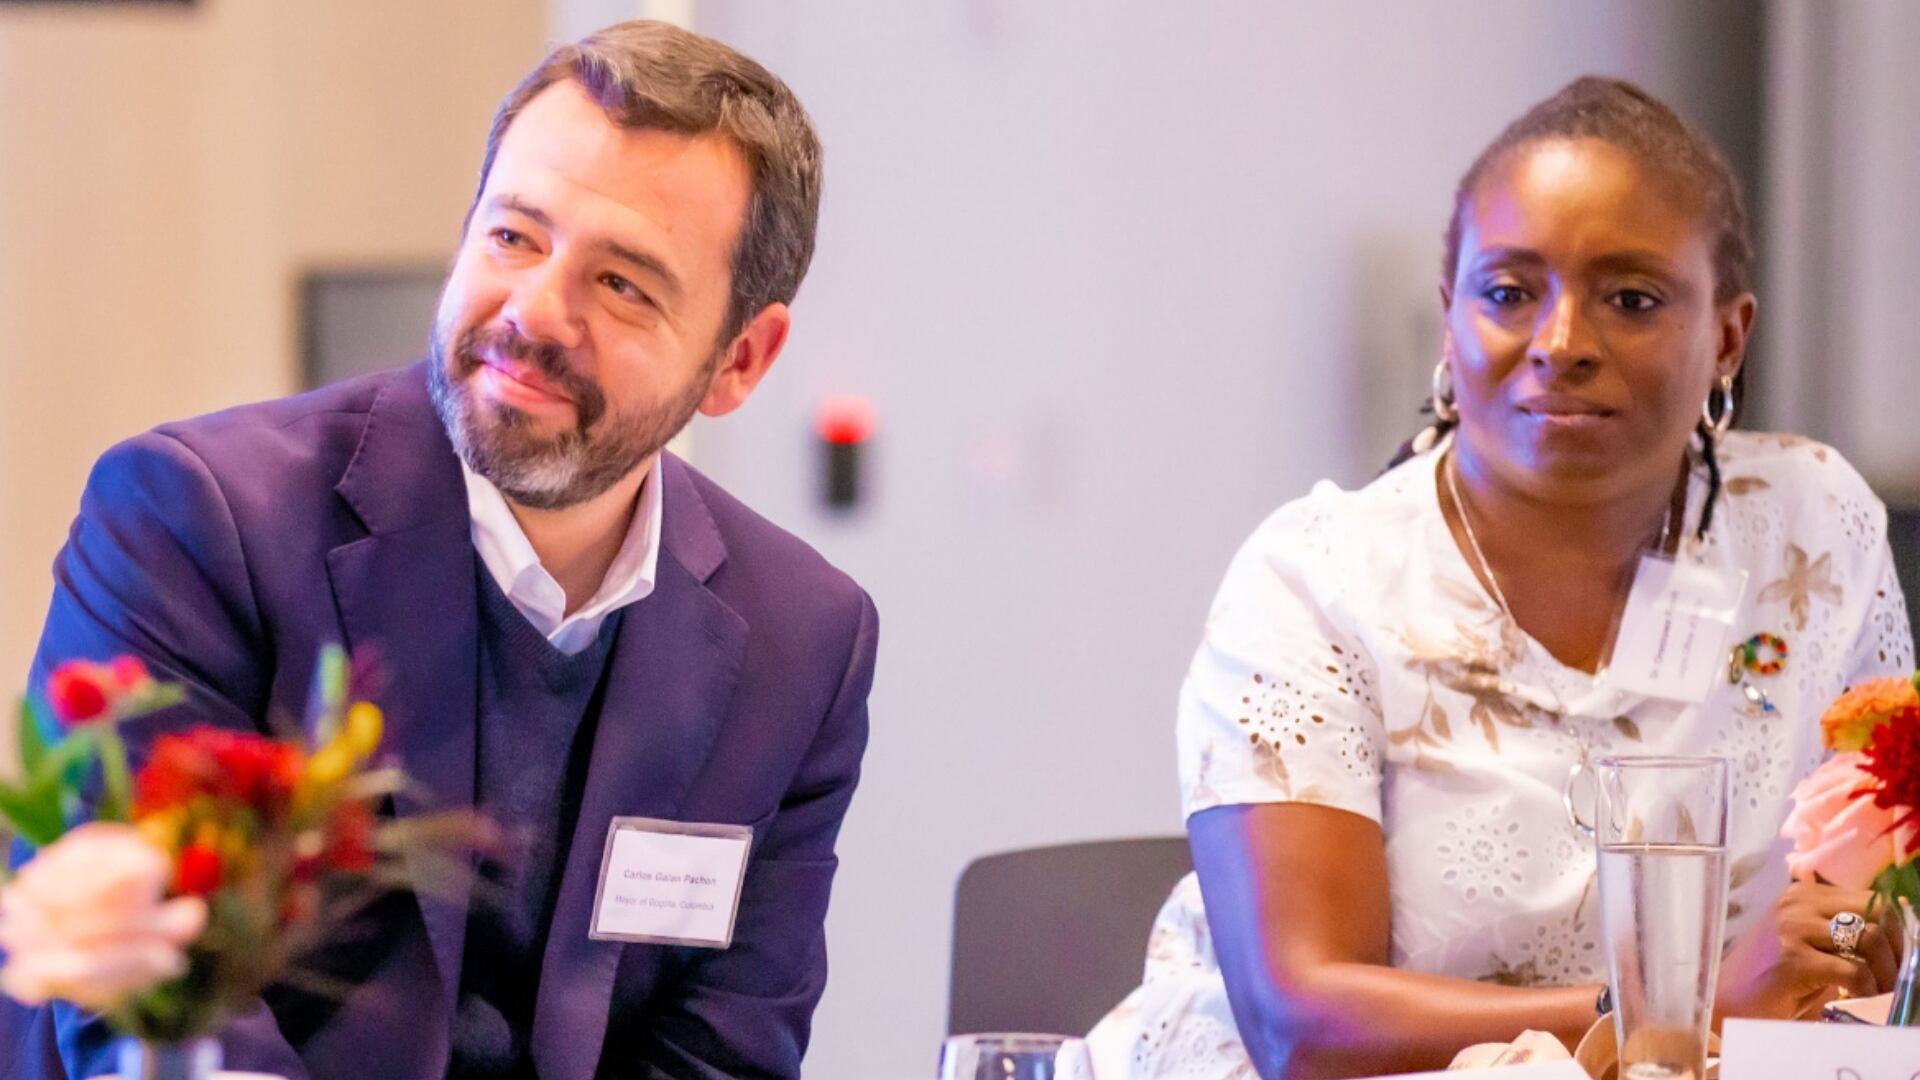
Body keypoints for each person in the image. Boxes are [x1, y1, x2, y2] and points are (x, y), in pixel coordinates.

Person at [3, 20, 875, 1080]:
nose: (535, 313)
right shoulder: (197, 519)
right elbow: (151, 1007)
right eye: (514, 237)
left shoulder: (803, 640)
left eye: (622, 285)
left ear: (741, 359)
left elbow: (721, 1054)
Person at [1087, 77, 1914, 1079]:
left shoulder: (1809, 526)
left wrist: (1836, 960)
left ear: (1728, 337)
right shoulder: (1314, 581)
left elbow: (1863, 924)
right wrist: (1673, 1014)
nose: (1561, 345)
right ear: (1451, 322)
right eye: (1511, 293)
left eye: (1631, 299)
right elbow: (1301, 1027)